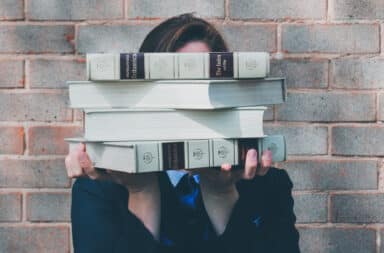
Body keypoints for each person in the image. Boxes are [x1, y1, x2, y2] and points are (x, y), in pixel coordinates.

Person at [65, 13, 300, 253]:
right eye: (173, 90)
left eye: (202, 88)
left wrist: (222, 195)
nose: (191, 107)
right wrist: (142, 193)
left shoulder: (268, 185)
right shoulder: (102, 188)